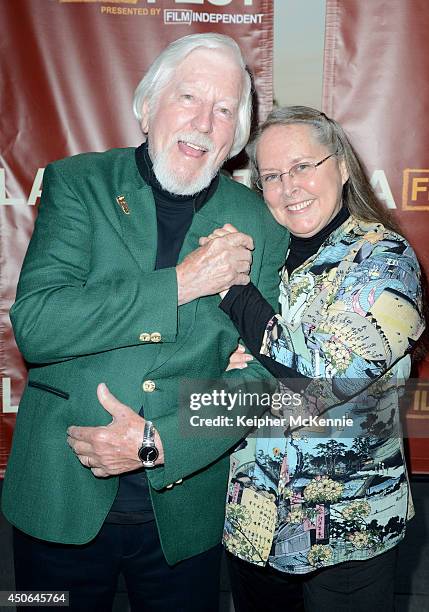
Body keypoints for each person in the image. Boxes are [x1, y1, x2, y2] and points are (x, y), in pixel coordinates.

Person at [1, 34, 289, 611]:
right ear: (146, 107)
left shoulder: (261, 222)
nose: (204, 121)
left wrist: (157, 443)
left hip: (184, 513)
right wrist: (182, 283)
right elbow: (38, 322)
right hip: (57, 495)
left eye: (225, 109)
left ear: (235, 137)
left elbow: (264, 380)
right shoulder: (78, 184)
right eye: (188, 97)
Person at [202, 106, 426, 611]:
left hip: (350, 527)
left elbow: (327, 370)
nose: (289, 187)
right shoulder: (262, 256)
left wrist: (236, 294)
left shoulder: (384, 258)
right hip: (253, 516)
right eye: (273, 176)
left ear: (342, 166)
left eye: (304, 166)